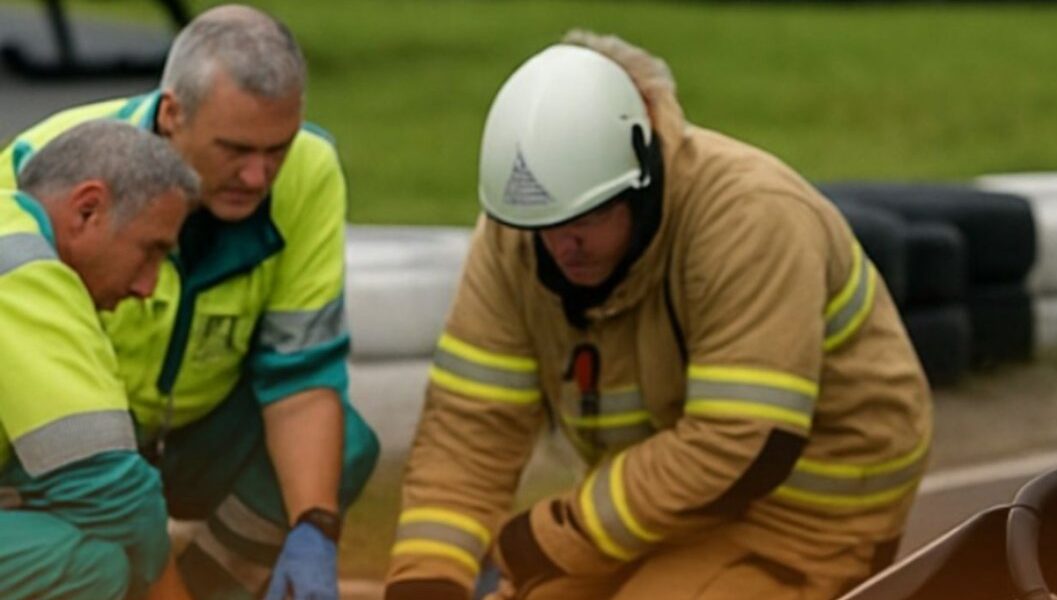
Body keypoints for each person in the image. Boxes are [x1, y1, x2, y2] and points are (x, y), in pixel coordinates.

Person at [383, 32, 933, 600]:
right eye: (543, 227)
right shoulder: (517, 235)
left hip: (805, 516)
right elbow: (473, 425)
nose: (560, 247)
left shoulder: (753, 218)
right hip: (654, 510)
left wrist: (556, 534)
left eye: (587, 219)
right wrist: (428, 576)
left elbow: (744, 447)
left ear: (642, 176)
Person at [0, 6, 379, 599]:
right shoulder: (40, 172)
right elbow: (96, 473)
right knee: (90, 560)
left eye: (276, 150)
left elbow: (303, 379)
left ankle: (214, 590)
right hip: (54, 451)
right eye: (235, 149)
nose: (258, 177)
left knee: (340, 447)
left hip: (180, 438)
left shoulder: (308, 172)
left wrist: (315, 530)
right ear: (172, 113)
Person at [0, 120, 197, 599]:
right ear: (88, 210)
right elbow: (106, 485)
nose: (146, 287)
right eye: (150, 252)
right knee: (88, 565)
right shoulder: (23, 263)